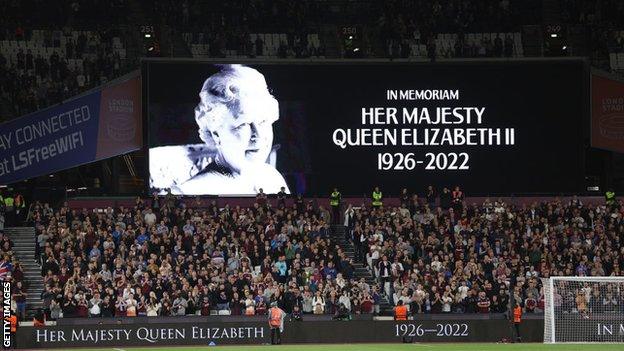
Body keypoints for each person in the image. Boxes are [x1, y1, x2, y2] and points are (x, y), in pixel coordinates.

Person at [152, 64, 290, 195]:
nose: (258, 135)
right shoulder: (188, 193)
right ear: (215, 133)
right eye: (243, 124)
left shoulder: (272, 178)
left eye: (263, 122)